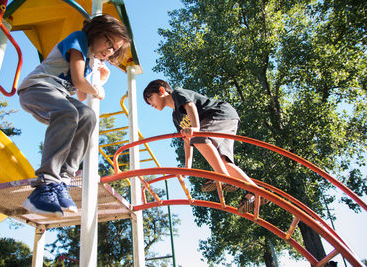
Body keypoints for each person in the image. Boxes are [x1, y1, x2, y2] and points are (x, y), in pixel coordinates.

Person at [18, 15, 130, 217]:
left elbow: (81, 94)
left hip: (57, 96)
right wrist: (97, 90)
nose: (109, 50)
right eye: (108, 41)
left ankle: (62, 180)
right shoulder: (78, 39)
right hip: (37, 88)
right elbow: (79, 82)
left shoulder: (89, 61)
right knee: (69, 112)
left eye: (114, 48)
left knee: (87, 116)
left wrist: (99, 82)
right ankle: (45, 183)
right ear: (96, 31)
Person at [143, 79, 266, 213]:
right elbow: (187, 140)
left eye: (151, 99)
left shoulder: (177, 94)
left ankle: (224, 177)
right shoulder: (176, 117)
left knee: (198, 137)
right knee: (223, 162)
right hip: (223, 123)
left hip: (220, 114)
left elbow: (190, 106)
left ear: (161, 91)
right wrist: (187, 166)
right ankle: (256, 192)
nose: (151, 104)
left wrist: (195, 128)